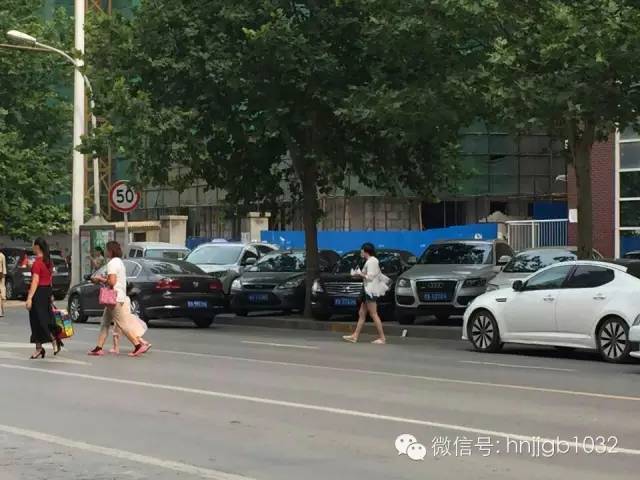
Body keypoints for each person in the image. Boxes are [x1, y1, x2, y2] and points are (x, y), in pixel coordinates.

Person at [88, 241, 150, 357]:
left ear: (110, 251)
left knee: (122, 323)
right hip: (118, 296)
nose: (105, 251)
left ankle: (138, 345)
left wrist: (100, 279)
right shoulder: (119, 262)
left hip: (114, 297)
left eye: (106, 249)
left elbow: (112, 282)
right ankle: (98, 347)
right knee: (105, 323)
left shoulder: (112, 263)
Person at [343, 243, 389, 345]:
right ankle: (355, 336)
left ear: (365, 251)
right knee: (362, 313)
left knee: (373, 314)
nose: (361, 252)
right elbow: (364, 275)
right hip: (367, 290)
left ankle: (382, 338)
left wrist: (360, 274)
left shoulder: (372, 261)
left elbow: (370, 277)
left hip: (370, 291)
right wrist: (356, 274)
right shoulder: (369, 261)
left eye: (361, 250)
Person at [26, 238, 59, 358]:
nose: (32, 247)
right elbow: (50, 279)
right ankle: (40, 348)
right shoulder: (48, 262)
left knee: (38, 321)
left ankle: (52, 340)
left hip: (38, 293)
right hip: (47, 291)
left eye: (33, 245)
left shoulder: (37, 263)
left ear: (37, 247)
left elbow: (35, 281)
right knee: (43, 319)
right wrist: (51, 294)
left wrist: (29, 298)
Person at [0, 248, 6, 318]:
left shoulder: (2, 256)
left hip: (1, 276)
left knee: (1, 294)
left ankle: (1, 311)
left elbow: (3, 269)